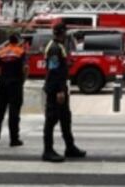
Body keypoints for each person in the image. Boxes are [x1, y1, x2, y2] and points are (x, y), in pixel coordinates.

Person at [42, 22, 86, 162]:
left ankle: (70, 147)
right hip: (55, 90)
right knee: (51, 120)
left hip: (60, 88)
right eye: (65, 32)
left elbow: (58, 67)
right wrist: (60, 91)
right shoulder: (55, 48)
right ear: (62, 33)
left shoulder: (58, 46)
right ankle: (48, 151)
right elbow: (54, 71)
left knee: (65, 119)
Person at [0, 33, 28, 147]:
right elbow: (25, 68)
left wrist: (1, 78)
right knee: (14, 113)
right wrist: (23, 80)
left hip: (2, 85)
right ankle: (14, 139)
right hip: (15, 84)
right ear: (17, 41)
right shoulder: (20, 52)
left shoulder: (1, 52)